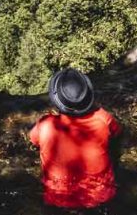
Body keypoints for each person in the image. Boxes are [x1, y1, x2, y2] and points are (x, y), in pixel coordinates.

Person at [29, 68, 122, 211]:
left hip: (58, 199)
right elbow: (117, 133)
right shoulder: (103, 118)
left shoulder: (46, 124)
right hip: (101, 196)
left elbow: (33, 140)